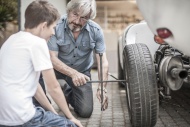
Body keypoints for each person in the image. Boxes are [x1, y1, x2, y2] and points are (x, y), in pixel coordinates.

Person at [0, 0, 83, 126]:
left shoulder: (11, 40)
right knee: (70, 125)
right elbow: (53, 87)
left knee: (50, 116)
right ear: (43, 26)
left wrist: (54, 113)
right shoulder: (37, 43)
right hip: (22, 118)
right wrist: (70, 117)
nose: (53, 33)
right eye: (53, 27)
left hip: (3, 118)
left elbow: (35, 88)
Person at [34, 0, 109, 118]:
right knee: (37, 72)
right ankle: (45, 102)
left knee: (85, 111)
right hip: (57, 71)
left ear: (89, 18)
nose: (77, 21)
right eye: (75, 14)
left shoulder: (96, 31)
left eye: (84, 17)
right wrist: (73, 74)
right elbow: (52, 58)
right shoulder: (56, 27)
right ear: (68, 11)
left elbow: (103, 62)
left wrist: (102, 88)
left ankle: (68, 92)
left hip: (82, 73)